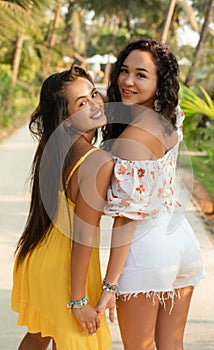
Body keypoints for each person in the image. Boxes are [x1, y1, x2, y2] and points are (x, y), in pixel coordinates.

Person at [96, 38, 205, 349]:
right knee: (172, 345)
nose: (128, 81)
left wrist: (109, 285)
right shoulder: (171, 114)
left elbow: (127, 219)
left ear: (159, 83)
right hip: (182, 242)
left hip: (147, 251)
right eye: (124, 71)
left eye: (141, 75)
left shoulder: (134, 139)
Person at [11, 64, 115, 350]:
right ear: (66, 119)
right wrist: (78, 300)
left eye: (94, 94)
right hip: (67, 275)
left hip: (37, 260)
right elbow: (82, 236)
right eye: (82, 103)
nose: (95, 103)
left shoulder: (55, 149)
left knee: (40, 335)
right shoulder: (97, 162)